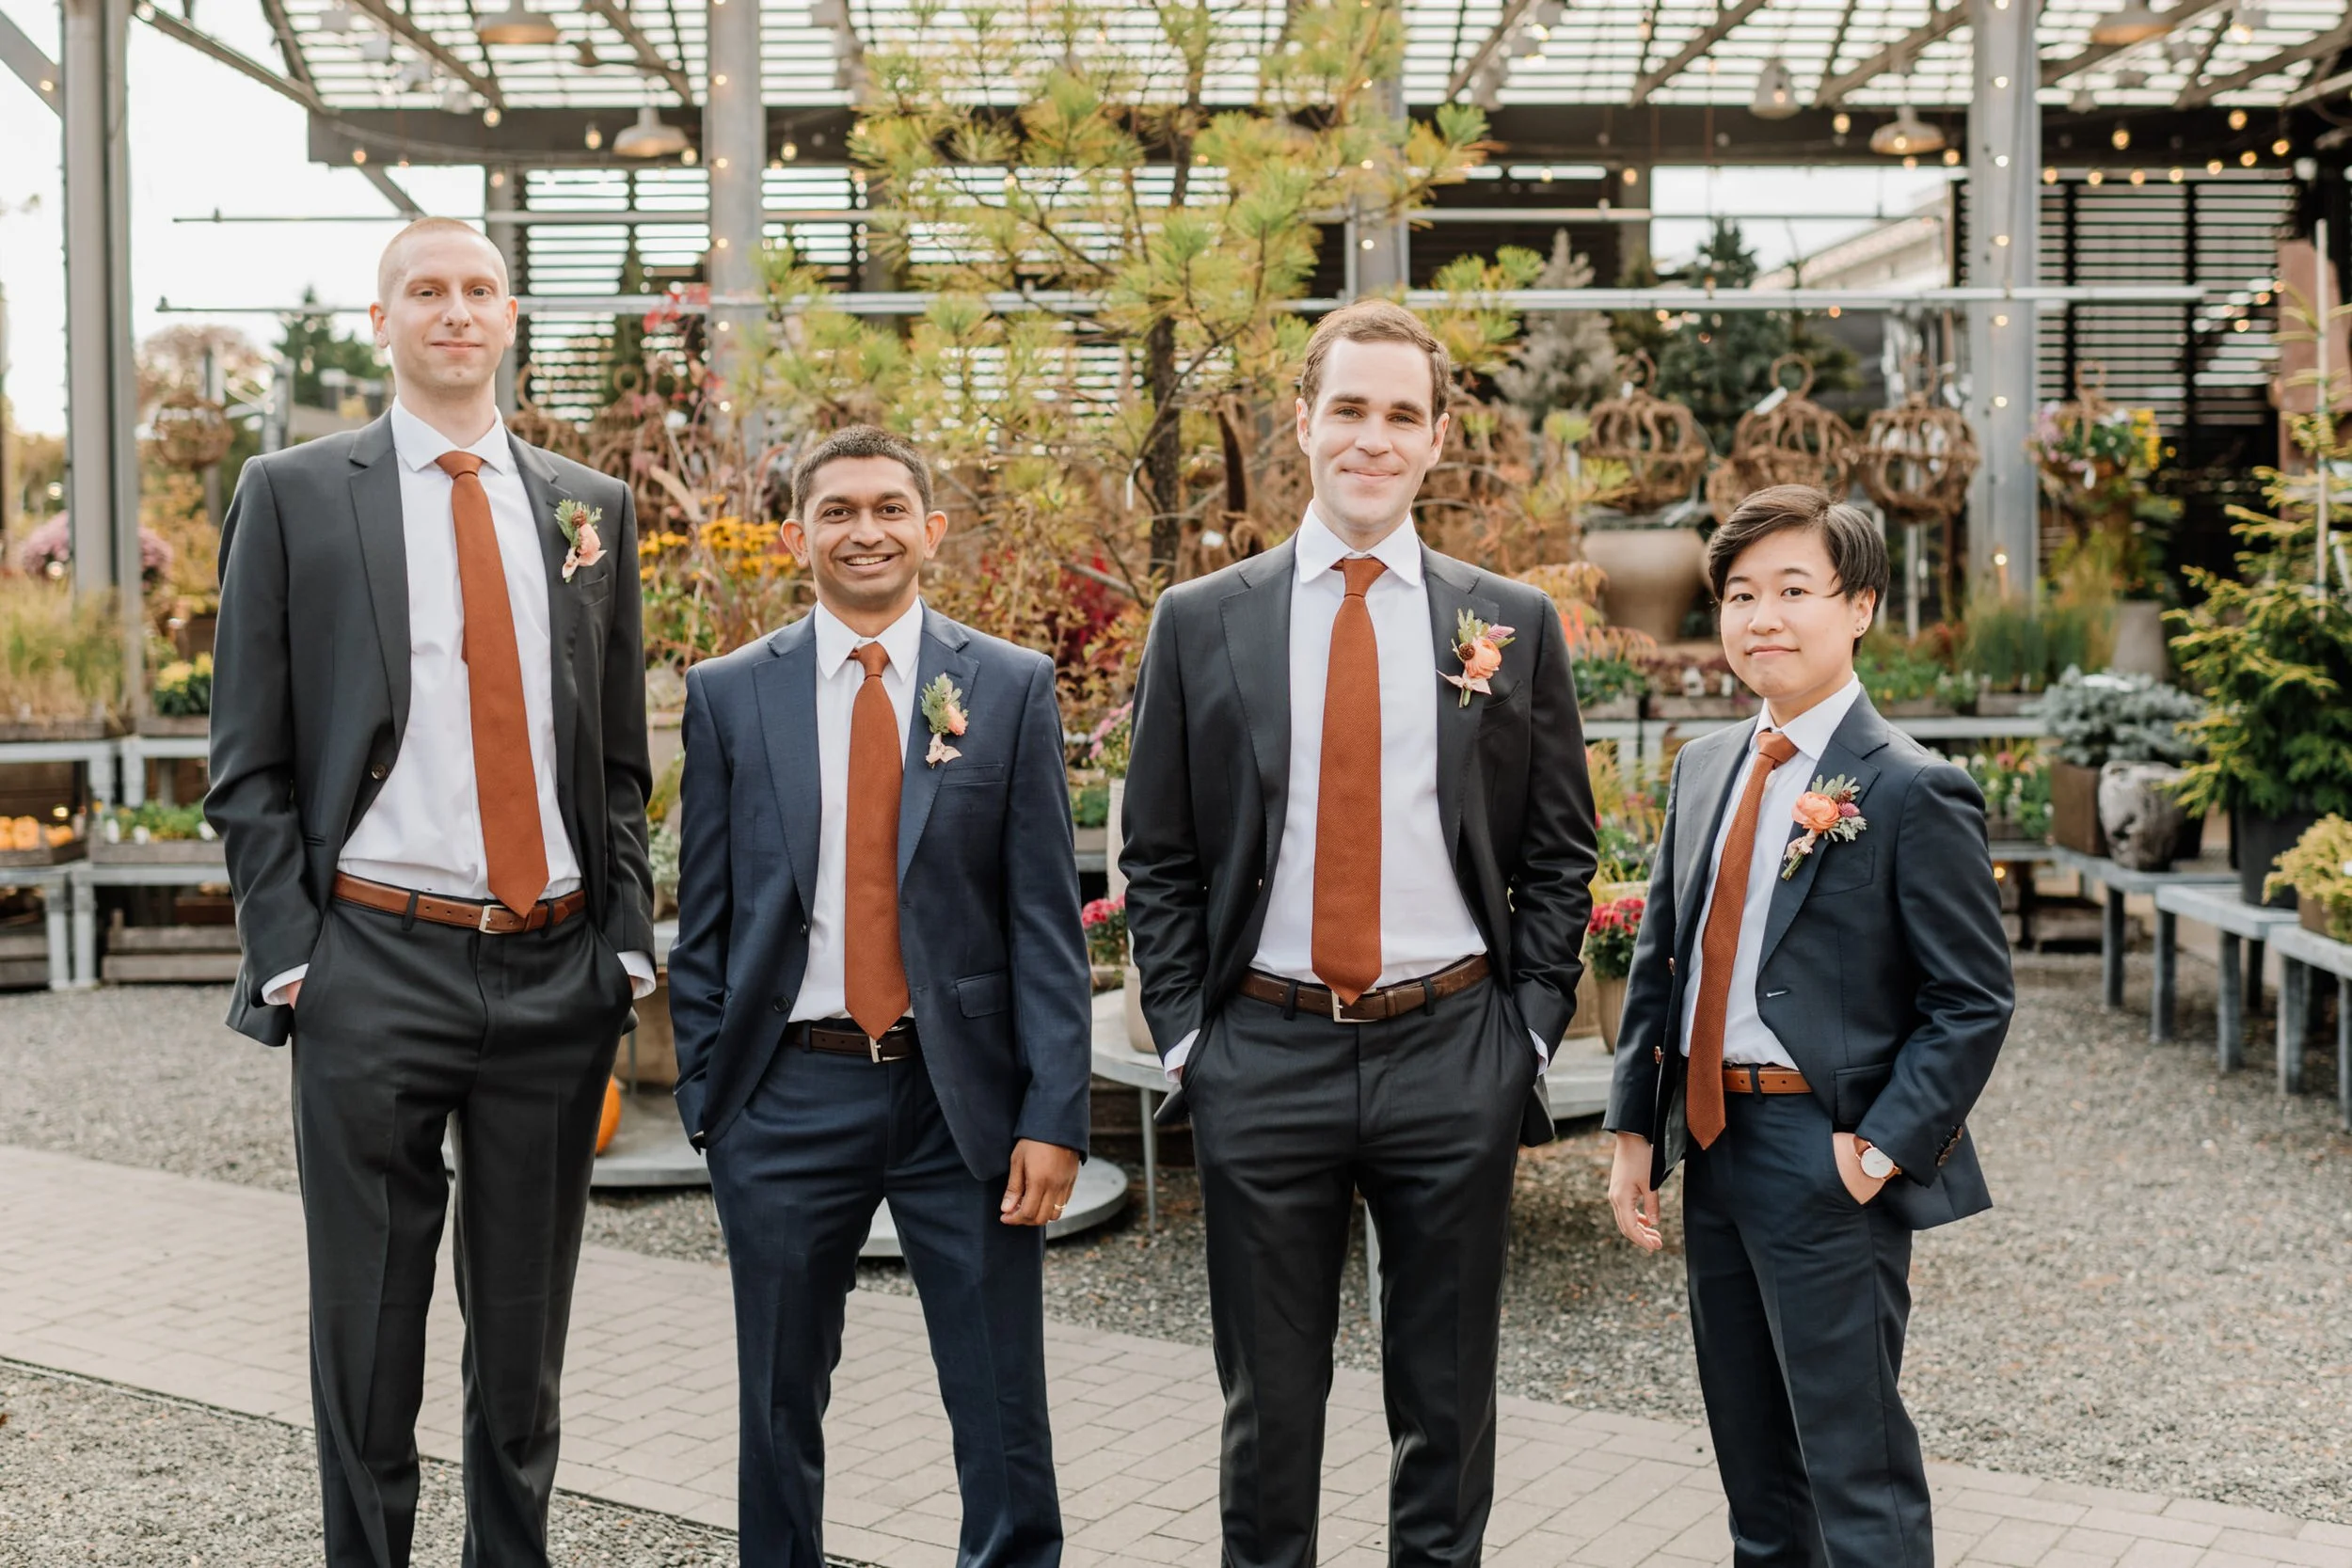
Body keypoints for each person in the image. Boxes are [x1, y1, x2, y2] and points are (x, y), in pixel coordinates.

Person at [1120, 299, 1597, 1568]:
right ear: (1303, 421)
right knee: (1267, 1410)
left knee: (1445, 1408)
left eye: (1401, 415)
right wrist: (1186, 1040)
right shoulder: (1200, 619)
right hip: (1260, 1050)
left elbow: (1560, 851)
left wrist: (1528, 1034)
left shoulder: (1512, 622)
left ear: (1438, 437)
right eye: (1349, 409)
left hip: (1454, 1048)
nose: (1372, 439)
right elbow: (1158, 855)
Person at [207, 216, 656, 1567]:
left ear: (509, 317)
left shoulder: (590, 506)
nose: (453, 310)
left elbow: (620, 754)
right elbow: (247, 759)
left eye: (476, 290)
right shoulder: (293, 492)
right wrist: (298, 956)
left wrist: (621, 946)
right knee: (367, 1334)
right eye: (427, 291)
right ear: (384, 316)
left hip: (554, 966)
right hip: (372, 963)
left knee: (523, 1349)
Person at [666, 424, 1090, 1568]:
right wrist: (713, 1102)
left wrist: (1054, 1111)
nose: (866, 529)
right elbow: (702, 914)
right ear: (797, 532)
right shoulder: (727, 695)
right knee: (778, 1398)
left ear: (929, 529)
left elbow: (1044, 918)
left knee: (1000, 1399)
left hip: (964, 1107)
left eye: (890, 507)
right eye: (839, 509)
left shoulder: (1004, 686)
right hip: (785, 1094)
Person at [1603, 484, 2014, 1568]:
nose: (1762, 617)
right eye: (1740, 594)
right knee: (1755, 1477)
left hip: (1824, 1156)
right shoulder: (1704, 766)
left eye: (1794, 589)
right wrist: (1633, 1131)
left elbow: (1971, 997)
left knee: (1856, 1473)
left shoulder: (1914, 787)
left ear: (1861, 604)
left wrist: (1875, 1149)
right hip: (1713, 1148)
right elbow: (1663, 959)